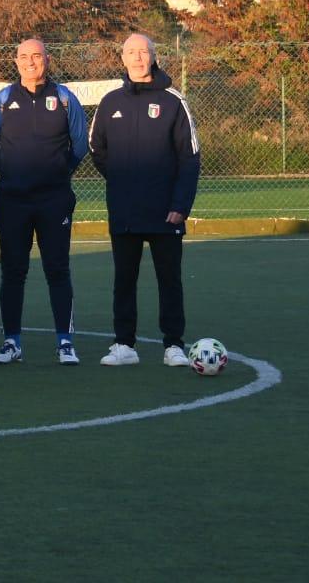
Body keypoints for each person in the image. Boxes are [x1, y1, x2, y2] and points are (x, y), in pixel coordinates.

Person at [90, 33, 201, 369]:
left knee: (169, 279)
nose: (138, 58)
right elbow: (97, 148)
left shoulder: (173, 101)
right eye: (131, 52)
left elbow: (190, 157)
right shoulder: (110, 102)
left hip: (165, 212)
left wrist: (180, 206)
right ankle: (124, 344)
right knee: (124, 279)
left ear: (154, 56)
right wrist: (123, 181)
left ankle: (173, 345)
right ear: (122, 58)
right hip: (124, 210)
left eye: (144, 52)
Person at [0, 38, 88, 365]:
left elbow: (80, 145)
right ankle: (11, 343)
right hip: (12, 201)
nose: (31, 62)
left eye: (37, 56)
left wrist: (57, 172)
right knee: (13, 271)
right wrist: (10, 174)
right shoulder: (2, 100)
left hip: (54, 200)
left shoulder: (65, 98)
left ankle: (65, 342)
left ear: (47, 58)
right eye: (24, 57)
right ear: (16, 61)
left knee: (58, 269)